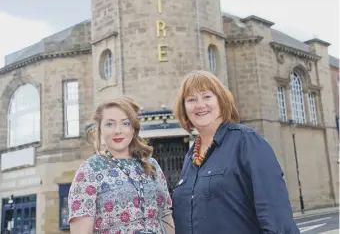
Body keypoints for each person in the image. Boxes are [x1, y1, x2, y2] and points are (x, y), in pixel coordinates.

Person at [172, 70, 300, 234]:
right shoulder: (191, 157)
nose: (199, 104)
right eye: (191, 100)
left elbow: (276, 215)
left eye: (207, 96)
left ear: (221, 101)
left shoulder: (246, 141)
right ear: (184, 108)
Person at [68, 97, 175, 234]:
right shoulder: (89, 170)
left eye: (125, 123)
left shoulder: (152, 165)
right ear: (100, 128)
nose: (117, 130)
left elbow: (166, 215)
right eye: (109, 124)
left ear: (134, 127)